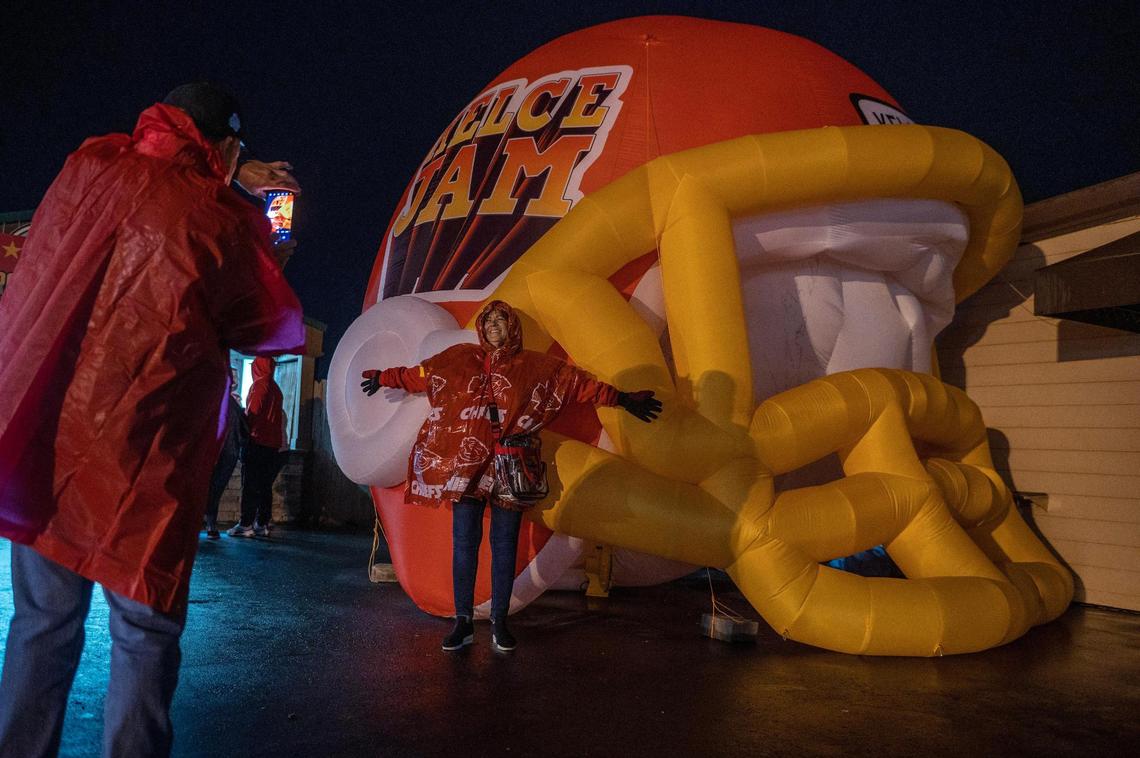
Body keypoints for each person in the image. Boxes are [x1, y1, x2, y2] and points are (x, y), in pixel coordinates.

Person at [0, 82, 305, 757]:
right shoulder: (215, 218)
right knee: (144, 633)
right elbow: (261, 320)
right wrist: (261, 217)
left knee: (43, 623)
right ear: (224, 146)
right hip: (143, 463)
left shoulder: (88, 167)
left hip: (49, 439)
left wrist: (223, 167)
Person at [361, 300, 661, 653]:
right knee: (464, 544)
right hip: (468, 467)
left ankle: (500, 622)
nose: (494, 327)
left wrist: (623, 399)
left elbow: (577, 384)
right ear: (481, 328)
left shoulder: (535, 367)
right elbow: (422, 375)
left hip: (511, 466)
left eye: (501, 322)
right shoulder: (459, 358)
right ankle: (463, 622)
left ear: (512, 328)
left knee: (505, 545)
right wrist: (384, 377)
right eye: (488, 322)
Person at [229, 356, 286, 537]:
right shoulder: (276, 389)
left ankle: (246, 524)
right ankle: (262, 523)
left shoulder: (260, 386)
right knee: (264, 485)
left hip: (257, 441)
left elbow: (253, 413)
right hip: (272, 445)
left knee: (250, 484)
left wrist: (240, 413)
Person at [205, 368, 249, 539]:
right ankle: (210, 524)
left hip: (214, 452)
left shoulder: (211, 401)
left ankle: (205, 523)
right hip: (228, 453)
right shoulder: (233, 405)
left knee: (207, 488)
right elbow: (244, 431)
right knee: (215, 490)